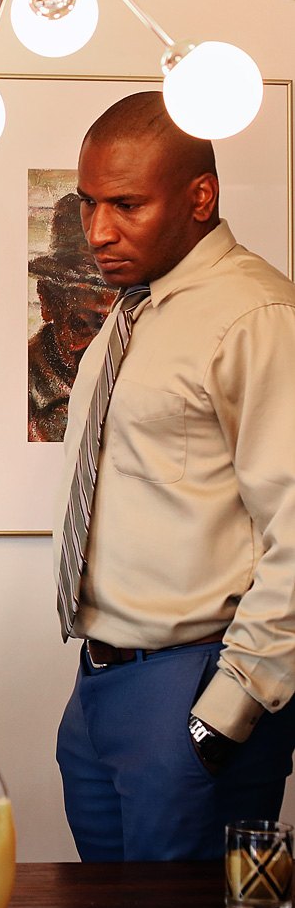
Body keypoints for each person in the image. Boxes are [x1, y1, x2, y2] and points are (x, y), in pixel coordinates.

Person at [52, 91, 295, 862]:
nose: (98, 231)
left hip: (194, 683)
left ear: (201, 196)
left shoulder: (256, 316)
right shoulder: (132, 316)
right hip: (101, 683)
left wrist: (224, 712)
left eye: (126, 204)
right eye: (89, 204)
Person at [28, 192, 116, 442]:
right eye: (81, 324)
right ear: (47, 302)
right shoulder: (21, 387)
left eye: (112, 326)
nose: (101, 344)